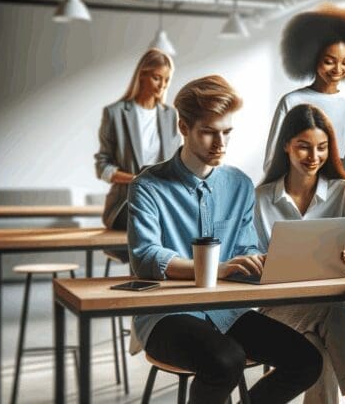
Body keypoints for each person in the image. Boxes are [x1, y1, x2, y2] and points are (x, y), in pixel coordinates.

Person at [128, 75, 322, 404]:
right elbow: (146, 258)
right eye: (208, 132)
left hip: (227, 312)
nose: (220, 143)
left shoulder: (240, 185)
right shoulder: (148, 185)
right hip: (166, 317)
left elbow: (245, 249)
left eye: (226, 132)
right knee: (226, 360)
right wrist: (215, 269)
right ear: (184, 127)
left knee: (307, 361)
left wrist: (261, 261)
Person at [256, 104, 345, 404]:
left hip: (330, 312)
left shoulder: (344, 192)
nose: (314, 157)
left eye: (322, 148)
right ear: (286, 146)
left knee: (319, 348)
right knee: (334, 312)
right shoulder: (261, 199)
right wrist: (261, 263)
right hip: (276, 312)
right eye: (303, 147)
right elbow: (248, 261)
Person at [264, 4, 345, 184]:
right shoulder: (292, 101)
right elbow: (271, 162)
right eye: (329, 61)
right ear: (311, 58)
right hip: (300, 198)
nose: (338, 69)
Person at [95, 48, 181, 230]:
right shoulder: (115, 113)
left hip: (163, 203)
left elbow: (177, 163)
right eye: (157, 78)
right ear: (141, 76)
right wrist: (136, 180)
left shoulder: (171, 116)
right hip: (125, 206)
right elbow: (102, 167)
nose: (162, 85)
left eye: (167, 80)